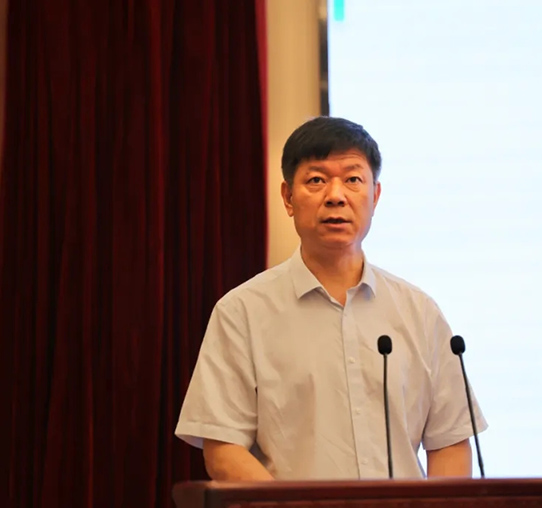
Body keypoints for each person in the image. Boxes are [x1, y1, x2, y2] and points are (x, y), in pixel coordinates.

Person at [175, 116, 486, 481]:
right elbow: (224, 450)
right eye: (316, 180)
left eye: (353, 180)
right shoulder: (242, 312)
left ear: (375, 196)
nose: (336, 196)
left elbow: (449, 442)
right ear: (288, 198)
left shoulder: (419, 312)